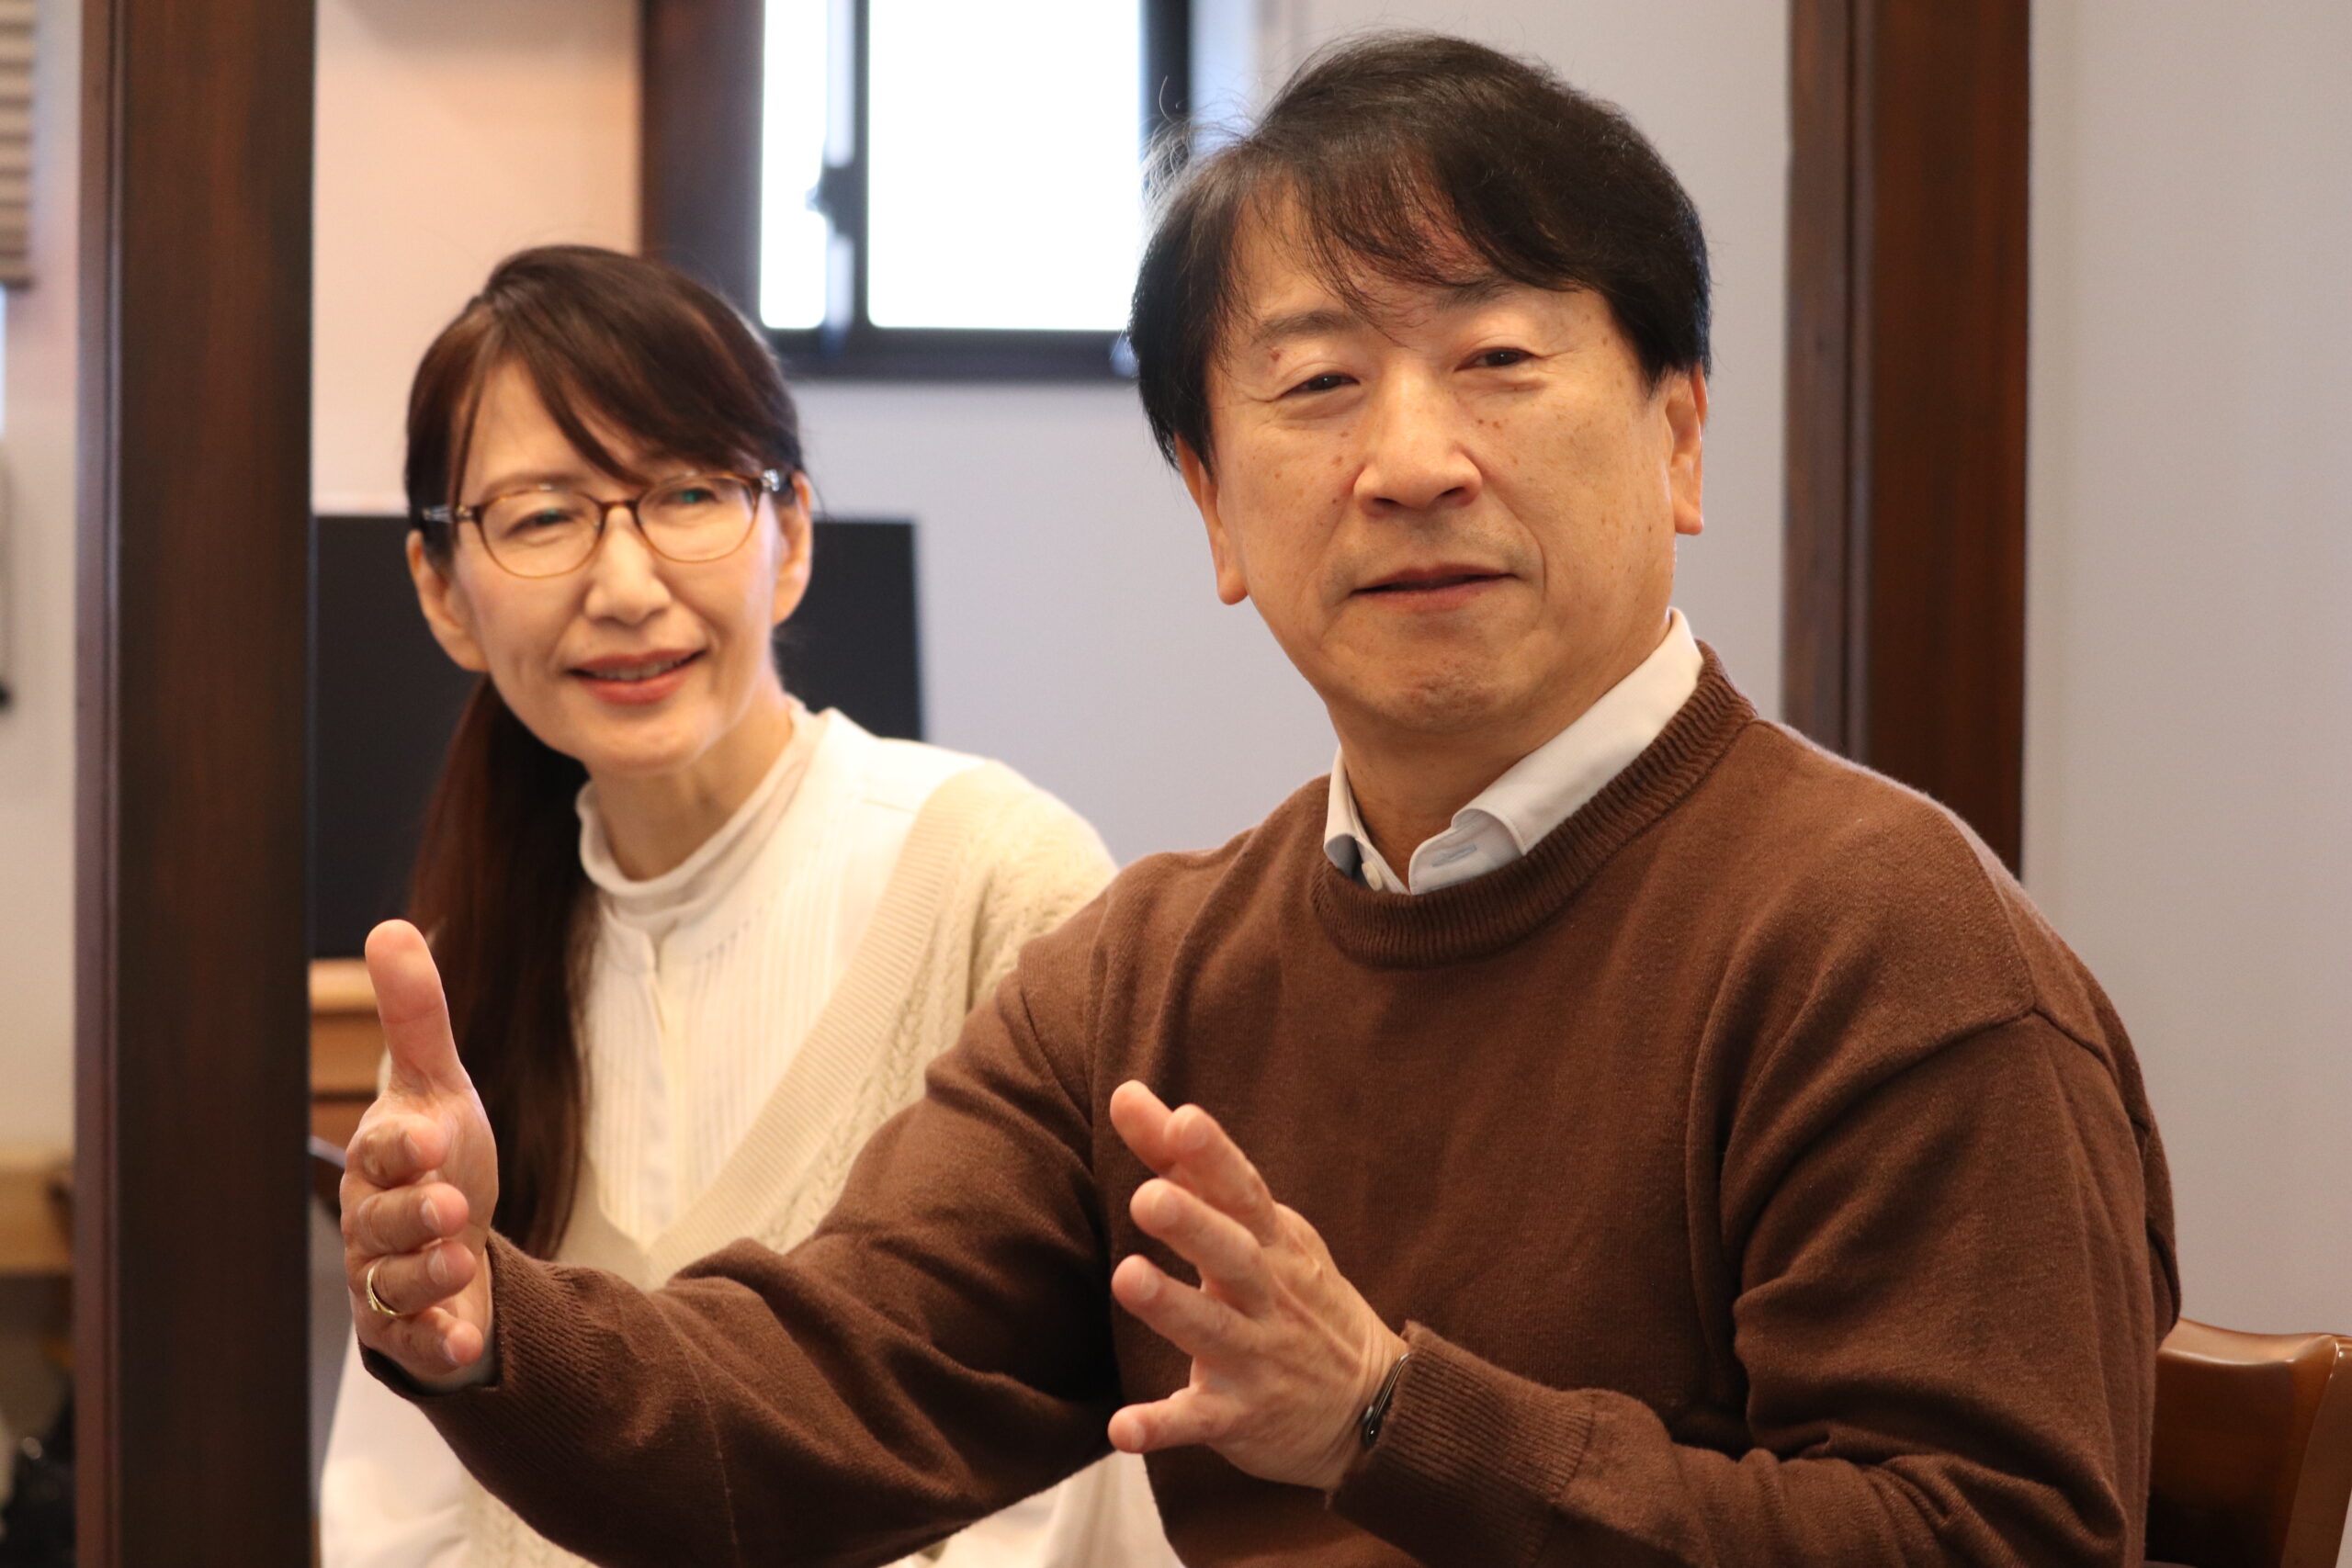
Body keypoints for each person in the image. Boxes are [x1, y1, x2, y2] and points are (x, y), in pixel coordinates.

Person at [341, 37, 2178, 1568]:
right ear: (1215, 508)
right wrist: (492, 1321)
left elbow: (1985, 1538)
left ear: (1676, 435)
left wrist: (1391, 1415)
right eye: (1316, 384)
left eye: (1496, 360)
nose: (1409, 460)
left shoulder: (1882, 938)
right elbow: (827, 1392)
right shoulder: (1152, 976)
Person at [318, 246, 1179, 1568]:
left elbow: (1064, 1471)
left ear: (792, 539)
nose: (626, 585)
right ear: (445, 591)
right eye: (543, 517)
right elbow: (406, 1501)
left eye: (688, 494)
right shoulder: (459, 983)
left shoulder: (999, 880)